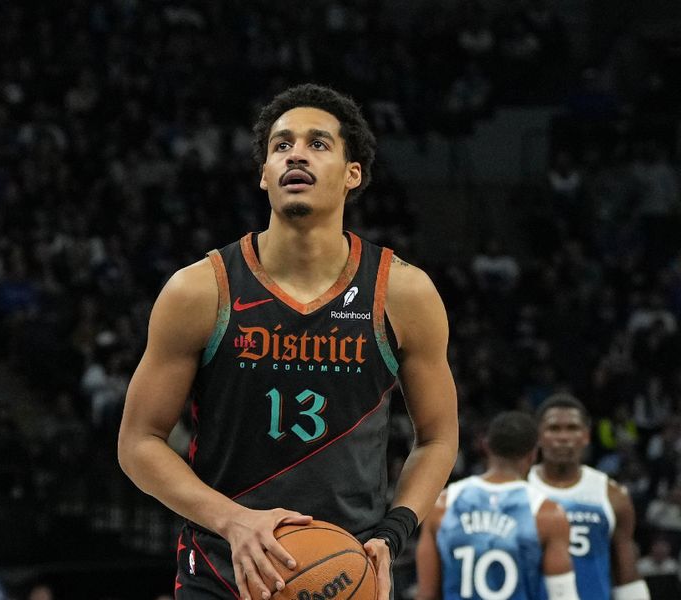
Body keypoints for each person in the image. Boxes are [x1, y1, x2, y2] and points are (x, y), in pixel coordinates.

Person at [117, 83, 459, 600]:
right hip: (221, 569)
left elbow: (437, 438)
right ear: (264, 175)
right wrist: (233, 521)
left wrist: (395, 532)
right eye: (281, 145)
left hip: (345, 571)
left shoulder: (403, 292)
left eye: (318, 143)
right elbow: (137, 443)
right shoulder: (201, 289)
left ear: (353, 174)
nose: (296, 153)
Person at [415, 411, 578, 600]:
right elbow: (563, 596)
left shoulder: (442, 505)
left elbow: (426, 595)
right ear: (534, 454)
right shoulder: (548, 513)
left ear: (486, 447)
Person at [528, 393, 651, 600]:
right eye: (554, 429)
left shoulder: (613, 495)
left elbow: (626, 575)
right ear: (539, 436)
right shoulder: (518, 490)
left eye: (572, 428)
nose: (563, 437)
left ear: (586, 435)